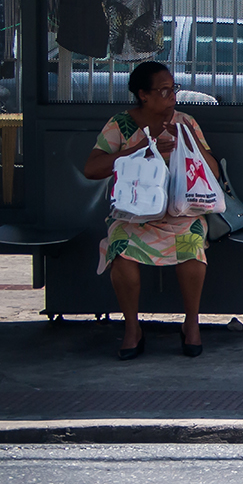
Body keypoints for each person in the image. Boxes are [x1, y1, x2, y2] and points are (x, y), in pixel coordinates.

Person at [83, 62, 220, 359]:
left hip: (181, 213)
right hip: (134, 214)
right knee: (120, 250)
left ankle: (191, 323)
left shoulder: (185, 121)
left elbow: (214, 172)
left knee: (193, 248)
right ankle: (132, 327)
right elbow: (91, 168)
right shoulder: (121, 124)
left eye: (174, 88)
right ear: (144, 94)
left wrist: (190, 143)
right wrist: (137, 149)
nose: (172, 95)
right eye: (164, 90)